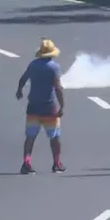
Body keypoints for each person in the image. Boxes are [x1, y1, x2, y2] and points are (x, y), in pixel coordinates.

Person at [16, 39, 66, 174]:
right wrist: (62, 105)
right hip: (49, 107)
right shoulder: (54, 67)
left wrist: (19, 90)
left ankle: (26, 162)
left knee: (30, 136)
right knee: (54, 136)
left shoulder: (33, 65)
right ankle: (57, 163)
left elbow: (23, 78)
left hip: (33, 106)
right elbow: (58, 88)